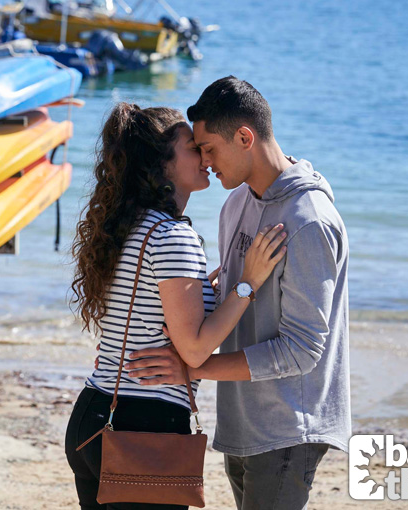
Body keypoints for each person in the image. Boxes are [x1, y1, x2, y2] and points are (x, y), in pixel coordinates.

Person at [126, 76, 352, 510]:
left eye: (209, 148)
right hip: (242, 421)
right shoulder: (236, 204)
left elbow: (303, 350)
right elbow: (238, 306)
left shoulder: (309, 221)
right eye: (197, 150)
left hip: (290, 427)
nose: (204, 161)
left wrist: (194, 368)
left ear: (245, 138)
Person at [65, 102, 287, 510]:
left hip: (94, 414)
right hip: (143, 424)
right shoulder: (172, 236)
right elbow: (195, 350)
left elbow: (145, 311)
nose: (205, 156)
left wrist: (206, 292)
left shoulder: (129, 227)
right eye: (192, 148)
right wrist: (248, 283)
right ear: (162, 164)